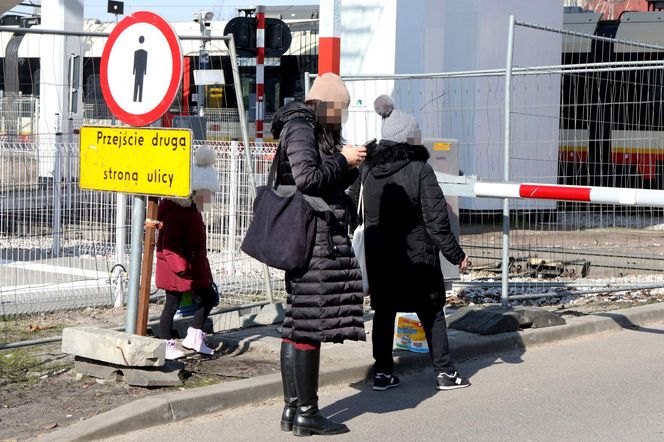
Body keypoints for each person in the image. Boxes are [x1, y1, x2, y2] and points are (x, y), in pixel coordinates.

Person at [270, 72, 367, 437]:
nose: (341, 118)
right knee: (308, 325)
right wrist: (343, 160)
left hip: (313, 236)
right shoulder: (300, 127)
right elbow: (308, 179)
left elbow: (320, 181)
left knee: (298, 322)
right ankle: (307, 414)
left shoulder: (309, 129)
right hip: (312, 239)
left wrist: (349, 164)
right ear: (326, 106)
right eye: (339, 111)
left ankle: (293, 411)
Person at [362, 94, 470, 392]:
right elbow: (437, 220)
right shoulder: (420, 170)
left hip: (380, 256)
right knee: (432, 312)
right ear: (409, 138)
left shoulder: (367, 170)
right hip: (417, 257)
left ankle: (383, 373)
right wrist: (455, 253)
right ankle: (445, 373)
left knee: (383, 312)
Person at [155, 146, 220, 360]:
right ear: (196, 190)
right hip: (180, 269)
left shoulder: (189, 211)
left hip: (191, 267)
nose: (209, 199)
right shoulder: (178, 212)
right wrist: (183, 269)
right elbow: (170, 244)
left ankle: (193, 335)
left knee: (208, 296)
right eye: (206, 194)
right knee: (171, 305)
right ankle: (166, 343)